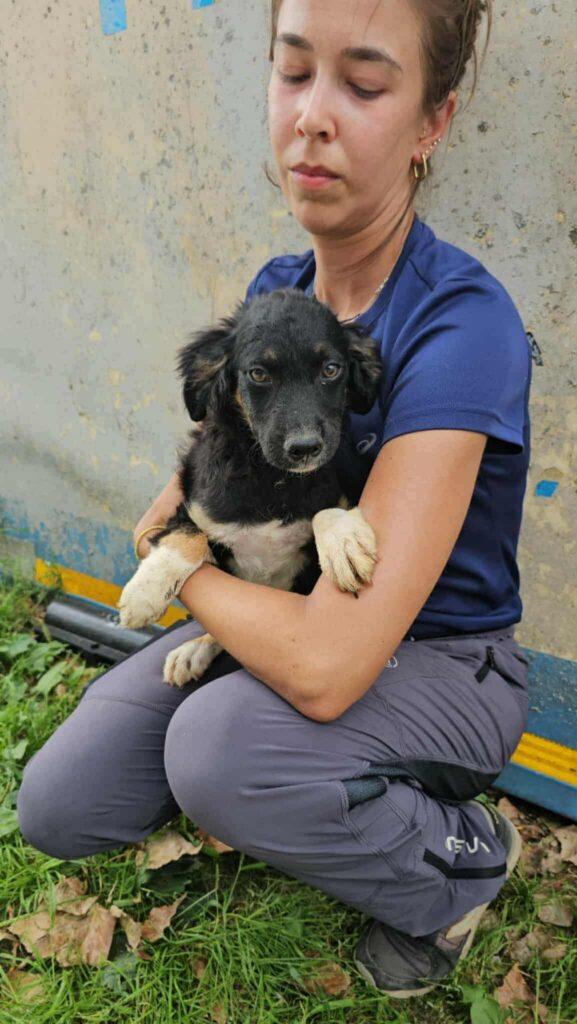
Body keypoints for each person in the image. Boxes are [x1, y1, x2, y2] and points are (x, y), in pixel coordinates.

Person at [18, 0, 533, 998]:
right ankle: (289, 786)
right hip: (278, 605)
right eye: (293, 72)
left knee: (216, 749)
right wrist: (187, 529)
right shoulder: (278, 292)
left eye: (364, 83)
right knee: (62, 802)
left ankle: (461, 861)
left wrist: (185, 565)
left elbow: (329, 663)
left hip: (441, 656)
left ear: (431, 121)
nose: (311, 117)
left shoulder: (459, 327)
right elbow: (187, 484)